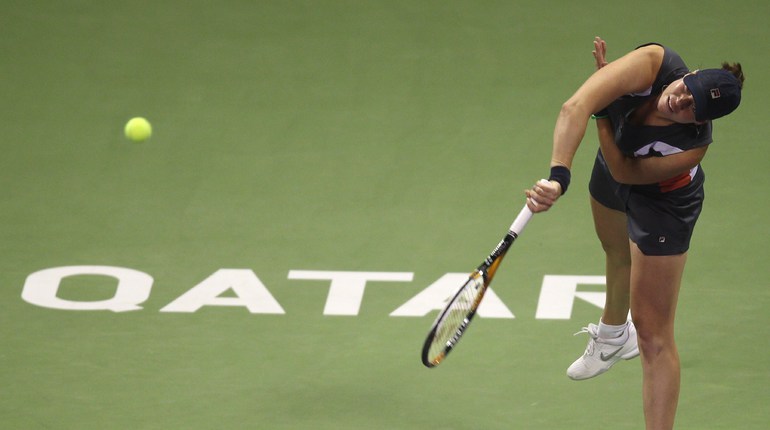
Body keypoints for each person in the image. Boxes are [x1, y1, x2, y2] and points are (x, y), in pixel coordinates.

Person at [524, 37, 743, 430]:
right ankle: (612, 337)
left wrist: (605, 108)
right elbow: (575, 106)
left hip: (664, 204)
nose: (680, 101)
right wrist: (558, 178)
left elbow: (625, 171)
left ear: (700, 123)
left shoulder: (691, 148)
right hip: (614, 159)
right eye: (687, 89)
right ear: (690, 74)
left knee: (653, 335)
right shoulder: (654, 63)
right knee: (614, 250)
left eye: (693, 108)